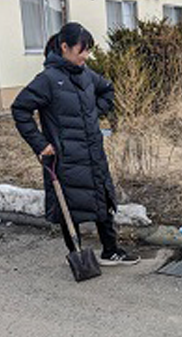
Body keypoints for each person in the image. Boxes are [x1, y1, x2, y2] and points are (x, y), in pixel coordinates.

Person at [11, 22, 139, 266]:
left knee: (102, 198)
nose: (85, 56)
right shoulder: (48, 79)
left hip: (92, 150)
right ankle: (78, 252)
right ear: (65, 47)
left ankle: (110, 251)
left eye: (88, 50)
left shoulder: (87, 75)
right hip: (64, 157)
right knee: (68, 206)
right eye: (82, 50)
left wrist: (93, 113)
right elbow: (20, 109)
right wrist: (40, 144)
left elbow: (108, 91)